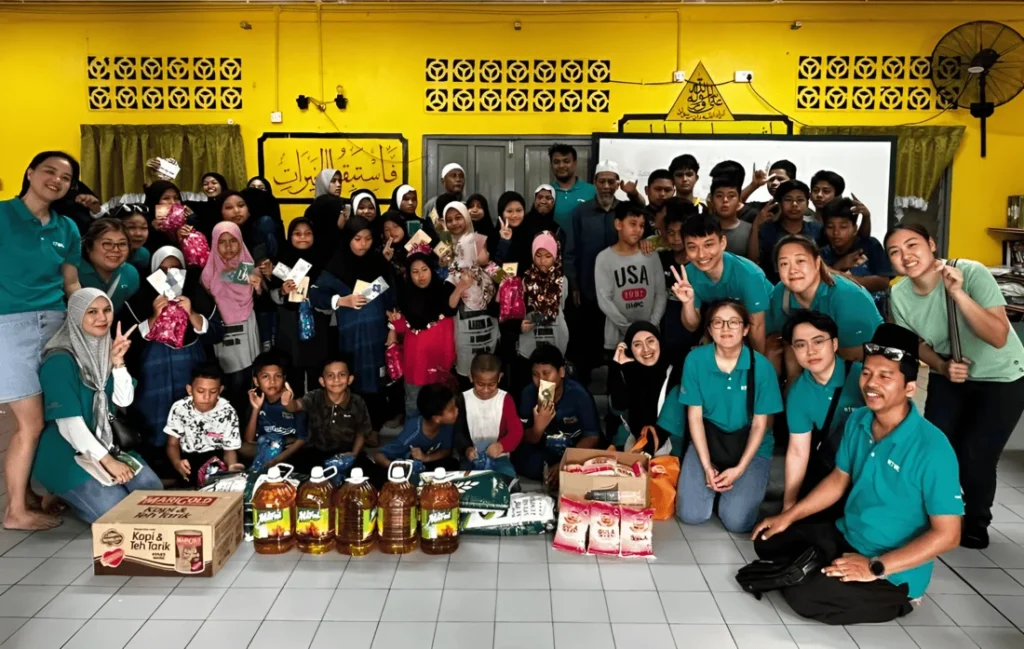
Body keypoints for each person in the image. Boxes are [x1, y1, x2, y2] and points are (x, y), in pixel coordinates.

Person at [750, 323, 963, 626]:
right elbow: (839, 479)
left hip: (889, 566)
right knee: (767, 539)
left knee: (804, 596)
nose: (871, 384)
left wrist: (875, 567)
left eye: (885, 376)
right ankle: (826, 566)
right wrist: (789, 515)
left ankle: (900, 597)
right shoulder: (860, 419)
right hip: (848, 534)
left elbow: (949, 535)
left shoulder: (932, 448)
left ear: (909, 388)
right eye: (867, 373)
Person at [887, 223, 1024, 548]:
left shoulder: (970, 273)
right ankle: (940, 515)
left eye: (912, 245)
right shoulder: (899, 294)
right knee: (935, 447)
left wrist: (959, 294)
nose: (905, 256)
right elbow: (915, 344)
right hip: (949, 374)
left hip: (1001, 376)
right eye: (895, 251)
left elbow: (998, 335)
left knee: (976, 453)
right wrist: (942, 366)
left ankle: (975, 521)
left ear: (931, 244)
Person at [1, 151, 84, 530]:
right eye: (50, 171)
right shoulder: (3, 214)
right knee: (30, 422)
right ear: (30, 172)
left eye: (65, 178)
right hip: (9, 326)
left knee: (51, 415)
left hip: (55, 324)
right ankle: (15, 511)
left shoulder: (67, 228)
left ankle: (33, 494)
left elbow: (71, 283)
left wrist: (87, 317)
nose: (57, 181)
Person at [34, 288, 163, 523]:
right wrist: (108, 462)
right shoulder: (59, 360)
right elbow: (69, 426)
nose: (102, 318)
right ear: (76, 315)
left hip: (106, 442)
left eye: (106, 310)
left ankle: (79, 494)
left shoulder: (106, 349)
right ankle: (65, 494)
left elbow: (123, 401)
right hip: (67, 452)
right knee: (115, 510)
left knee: (151, 489)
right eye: (91, 312)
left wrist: (118, 363)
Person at [677, 299, 783, 533]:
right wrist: (706, 466)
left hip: (749, 445)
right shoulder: (695, 360)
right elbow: (695, 417)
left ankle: (733, 491)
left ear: (745, 329)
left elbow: (760, 425)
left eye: (734, 322)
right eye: (718, 322)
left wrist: (740, 469)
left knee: (737, 522)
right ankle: (714, 487)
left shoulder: (761, 367)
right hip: (710, 441)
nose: (725, 328)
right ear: (709, 329)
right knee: (691, 515)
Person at [119, 247, 221, 457]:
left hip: (189, 363)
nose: (169, 276)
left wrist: (191, 313)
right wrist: (154, 317)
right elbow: (126, 342)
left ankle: (193, 455)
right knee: (155, 412)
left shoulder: (195, 294)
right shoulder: (142, 298)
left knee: (192, 407)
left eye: (175, 269)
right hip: (153, 369)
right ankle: (158, 457)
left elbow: (216, 334)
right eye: (162, 270)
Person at [311, 216, 396, 431]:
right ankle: (353, 429)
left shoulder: (379, 263)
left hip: (377, 335)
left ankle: (374, 428)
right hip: (351, 337)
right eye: (357, 239)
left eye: (368, 239)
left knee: (378, 378)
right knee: (352, 378)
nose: (363, 244)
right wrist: (340, 301)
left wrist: (393, 328)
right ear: (348, 239)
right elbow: (316, 295)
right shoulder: (337, 265)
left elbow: (393, 299)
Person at [780, 311, 864, 517]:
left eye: (818, 342)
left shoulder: (863, 378)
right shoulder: (798, 393)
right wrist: (788, 506)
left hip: (871, 470)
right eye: (801, 345)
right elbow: (798, 451)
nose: (811, 351)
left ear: (834, 344)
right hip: (834, 472)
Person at [766, 235, 882, 380]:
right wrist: (792, 380)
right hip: (815, 360)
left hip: (863, 365)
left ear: (817, 263)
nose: (792, 270)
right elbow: (786, 341)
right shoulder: (781, 293)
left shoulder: (846, 295)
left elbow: (854, 356)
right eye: (784, 264)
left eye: (800, 261)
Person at [673, 216, 772, 354]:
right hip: (734, 328)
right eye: (692, 247)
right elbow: (691, 326)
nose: (701, 254)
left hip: (770, 326)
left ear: (723, 242)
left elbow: (757, 326)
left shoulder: (749, 274)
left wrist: (756, 363)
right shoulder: (689, 273)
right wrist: (688, 303)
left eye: (708, 245)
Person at [565, 160, 621, 384]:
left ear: (618, 184)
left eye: (611, 181)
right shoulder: (580, 212)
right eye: (602, 181)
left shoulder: (625, 211)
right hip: (588, 290)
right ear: (595, 182)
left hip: (619, 292)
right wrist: (574, 285)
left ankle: (614, 396)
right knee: (586, 348)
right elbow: (570, 251)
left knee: (617, 348)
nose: (606, 186)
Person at [514, 344, 601, 485]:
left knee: (590, 460)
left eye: (546, 373)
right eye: (535, 374)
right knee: (525, 461)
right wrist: (538, 428)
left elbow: (592, 436)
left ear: (561, 372)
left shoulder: (579, 395)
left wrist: (565, 462)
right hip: (544, 450)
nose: (541, 380)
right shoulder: (528, 394)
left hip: (573, 448)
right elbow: (523, 437)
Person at [201, 222, 262, 411]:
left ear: (240, 242)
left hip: (246, 326)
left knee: (247, 379)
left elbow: (262, 296)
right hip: (222, 331)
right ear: (214, 244)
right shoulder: (208, 272)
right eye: (222, 242)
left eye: (233, 241)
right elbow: (222, 276)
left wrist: (258, 283)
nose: (228, 247)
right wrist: (245, 276)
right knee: (229, 381)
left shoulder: (250, 266)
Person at [390, 250, 457, 417]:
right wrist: (396, 320)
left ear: (432, 270)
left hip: (439, 361)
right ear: (408, 274)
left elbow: (449, 330)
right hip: (415, 362)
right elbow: (402, 329)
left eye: (424, 269)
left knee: (441, 406)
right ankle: (414, 432)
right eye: (415, 271)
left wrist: (449, 360)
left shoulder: (443, 294)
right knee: (414, 404)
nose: (421, 276)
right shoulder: (405, 296)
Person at [595, 203, 667, 358]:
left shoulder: (650, 255)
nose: (638, 230)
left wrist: (651, 326)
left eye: (641, 225)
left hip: (650, 336)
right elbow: (604, 300)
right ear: (618, 224)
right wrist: (628, 329)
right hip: (617, 339)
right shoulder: (604, 258)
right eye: (632, 224)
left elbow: (661, 293)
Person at [280, 355, 374, 473]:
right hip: (316, 451)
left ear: (350, 379)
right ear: (322, 381)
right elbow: (296, 406)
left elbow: (362, 432)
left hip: (347, 452)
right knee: (289, 472)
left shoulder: (357, 401)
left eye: (342, 374)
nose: (336, 379)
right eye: (330, 375)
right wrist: (288, 402)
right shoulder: (314, 396)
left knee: (371, 474)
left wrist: (353, 454)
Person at [272, 217, 331, 398]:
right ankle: (293, 406)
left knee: (317, 368)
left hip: (318, 320)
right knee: (291, 369)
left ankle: (316, 407)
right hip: (289, 323)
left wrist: (317, 296)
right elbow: (271, 295)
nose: (303, 238)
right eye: (297, 234)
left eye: (308, 233)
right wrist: (282, 291)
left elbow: (331, 293)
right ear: (290, 236)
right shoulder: (281, 261)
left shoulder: (324, 260)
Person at [442, 202, 498, 381]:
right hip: (465, 337)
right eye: (449, 220)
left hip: (489, 335)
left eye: (459, 217)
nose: (454, 223)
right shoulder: (452, 268)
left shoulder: (490, 267)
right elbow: (448, 306)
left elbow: (507, 284)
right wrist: (461, 286)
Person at [165, 363, 243, 487]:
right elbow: (172, 444)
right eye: (200, 391)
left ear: (220, 390)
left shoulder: (227, 411)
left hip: (216, 459)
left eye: (213, 391)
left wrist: (232, 468)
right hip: (188, 461)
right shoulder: (179, 408)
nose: (206, 397)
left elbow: (229, 450)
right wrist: (177, 463)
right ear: (189, 390)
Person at [611, 321, 680, 455]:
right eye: (637, 344)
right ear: (630, 349)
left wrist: (646, 453)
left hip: (668, 442)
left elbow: (671, 423)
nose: (646, 349)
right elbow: (618, 406)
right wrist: (616, 367)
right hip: (636, 439)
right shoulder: (628, 371)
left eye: (650, 341)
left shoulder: (674, 372)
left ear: (659, 342)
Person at [454, 353, 523, 480]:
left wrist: (501, 446)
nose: (486, 390)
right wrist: (466, 449)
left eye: (491, 384)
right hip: (472, 456)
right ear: (471, 378)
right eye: (480, 384)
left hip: (499, 456)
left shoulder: (505, 399)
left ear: (499, 378)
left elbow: (516, 430)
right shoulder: (463, 399)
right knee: (464, 482)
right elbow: (458, 431)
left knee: (508, 481)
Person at [373, 383, 460, 482]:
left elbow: (446, 451)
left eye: (455, 406)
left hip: (427, 463)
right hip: (408, 468)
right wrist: (397, 468)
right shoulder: (411, 433)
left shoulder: (448, 424)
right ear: (436, 418)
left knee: (452, 464)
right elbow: (378, 456)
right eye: (452, 410)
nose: (457, 410)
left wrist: (425, 458)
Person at [820, 197, 893, 314]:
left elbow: (882, 282)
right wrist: (838, 266)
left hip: (874, 314)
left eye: (843, 227)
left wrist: (836, 273)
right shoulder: (822, 254)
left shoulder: (870, 246)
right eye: (830, 227)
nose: (836, 232)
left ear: (854, 229)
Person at [518, 232, 569, 398]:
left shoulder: (562, 280)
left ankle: (549, 412)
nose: (542, 261)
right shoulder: (525, 280)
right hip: (530, 340)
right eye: (538, 255)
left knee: (551, 387)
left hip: (556, 336)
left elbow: (562, 306)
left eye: (548, 256)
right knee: (533, 386)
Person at [240, 352, 309, 469]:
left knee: (276, 441)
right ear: (256, 381)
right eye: (265, 376)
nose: (272, 381)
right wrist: (256, 409)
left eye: (278, 376)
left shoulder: (293, 402)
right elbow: (249, 440)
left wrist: (277, 459)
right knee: (242, 447)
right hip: (265, 446)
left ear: (284, 378)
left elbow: (302, 439)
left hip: (289, 449)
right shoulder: (257, 401)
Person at [749, 180, 822, 283]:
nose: (794, 204)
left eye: (800, 200)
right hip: (773, 286)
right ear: (780, 204)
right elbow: (753, 260)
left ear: (807, 204)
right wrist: (756, 225)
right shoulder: (768, 230)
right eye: (788, 200)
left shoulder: (817, 230)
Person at [658, 202, 700, 370]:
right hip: (666, 330)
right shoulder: (661, 258)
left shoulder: (700, 264)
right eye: (671, 232)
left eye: (680, 233)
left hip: (692, 334)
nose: (676, 238)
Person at [76, 218, 140, 315]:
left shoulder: (130, 274)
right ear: (89, 246)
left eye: (122, 244)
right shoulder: (72, 271)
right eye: (107, 243)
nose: (116, 249)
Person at [549, 143, 596, 232]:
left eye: (566, 161)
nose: (561, 165)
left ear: (575, 163)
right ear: (551, 165)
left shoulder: (592, 191)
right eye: (556, 162)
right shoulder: (546, 193)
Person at [709, 173, 752, 258]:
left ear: (739, 200)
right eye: (719, 196)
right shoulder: (703, 228)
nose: (725, 200)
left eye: (731, 196)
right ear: (711, 199)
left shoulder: (750, 230)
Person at [110, 204, 152, 275]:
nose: (138, 233)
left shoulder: (144, 255)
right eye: (131, 227)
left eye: (144, 228)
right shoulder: (102, 255)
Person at [424, 163, 466, 227]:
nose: (458, 179)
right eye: (454, 176)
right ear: (443, 181)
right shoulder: (432, 205)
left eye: (461, 176)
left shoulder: (469, 203)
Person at [643, 169, 675, 235]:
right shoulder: (638, 215)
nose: (662, 194)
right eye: (658, 189)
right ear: (647, 190)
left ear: (673, 192)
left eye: (667, 190)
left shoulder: (680, 217)